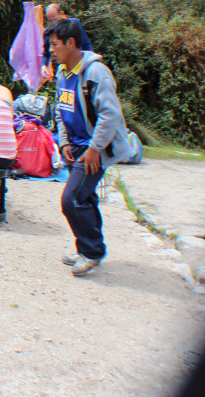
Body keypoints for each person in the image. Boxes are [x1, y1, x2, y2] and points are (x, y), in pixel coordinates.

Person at [47, 19, 132, 277]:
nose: (50, 50)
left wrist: (94, 148)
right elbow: (61, 112)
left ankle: (92, 252)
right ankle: (87, 247)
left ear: (71, 43)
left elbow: (110, 115)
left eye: (54, 45)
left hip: (95, 150)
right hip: (76, 147)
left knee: (71, 198)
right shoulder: (63, 73)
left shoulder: (97, 72)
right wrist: (63, 143)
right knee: (85, 197)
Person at [41, 3, 91, 81]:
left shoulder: (73, 24)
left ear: (62, 14)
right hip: (63, 71)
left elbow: (86, 44)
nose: (54, 23)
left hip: (80, 66)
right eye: (50, 21)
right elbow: (46, 53)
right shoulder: (49, 32)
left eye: (56, 19)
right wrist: (43, 66)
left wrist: (89, 62)